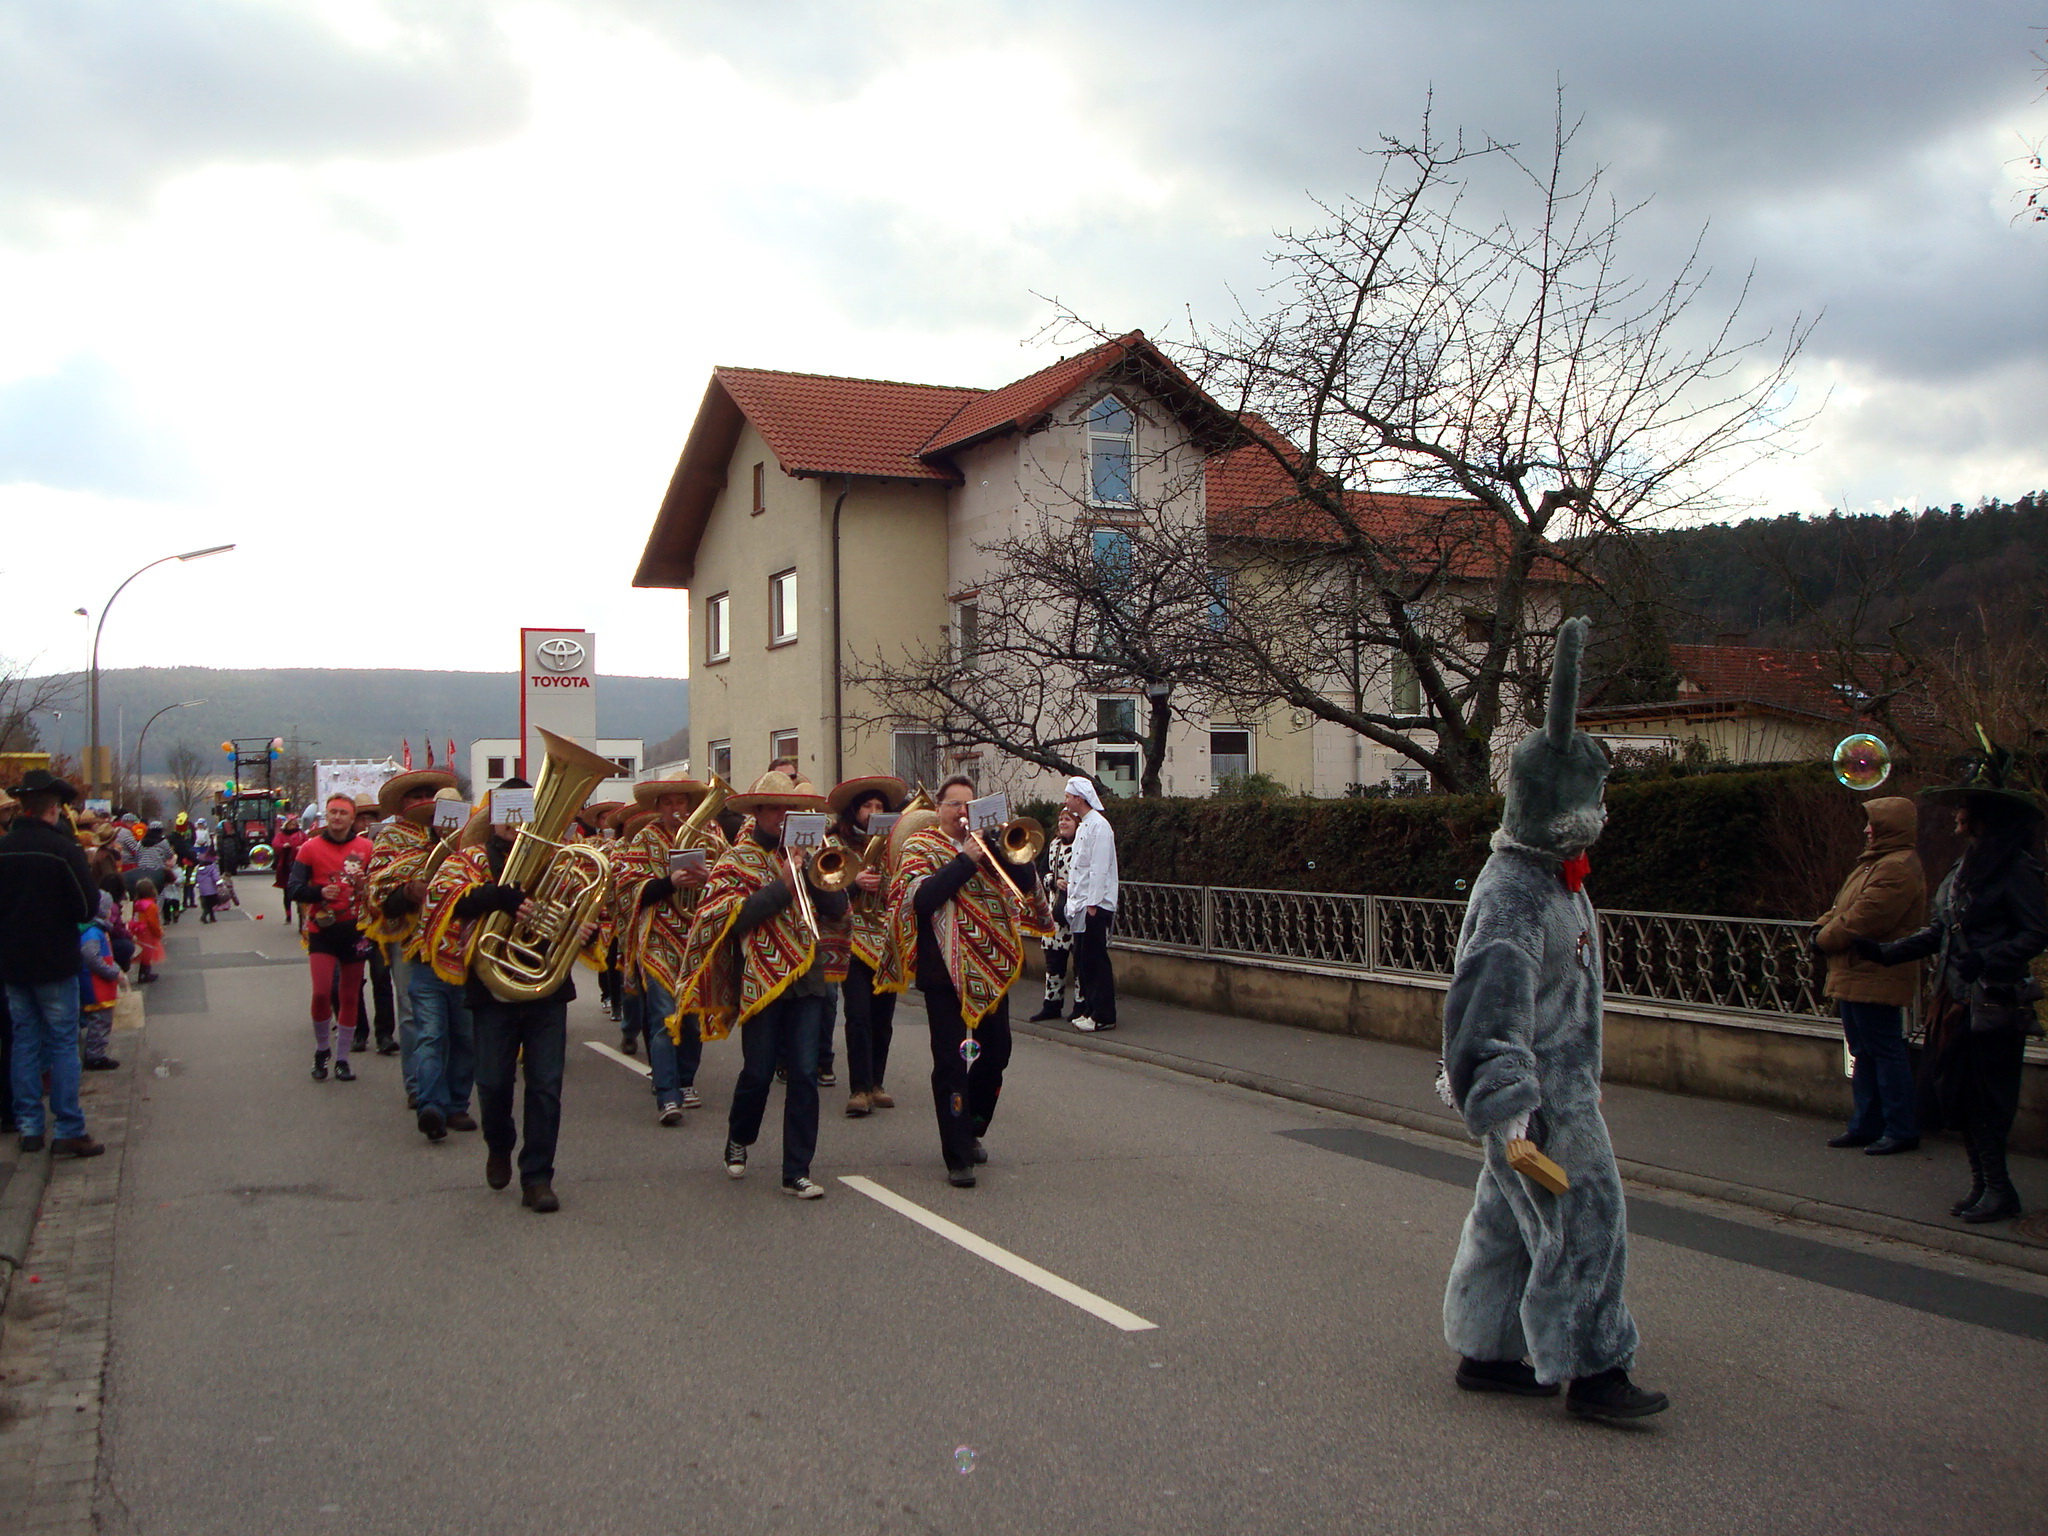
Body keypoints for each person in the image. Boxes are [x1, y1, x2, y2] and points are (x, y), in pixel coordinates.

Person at [1439, 618, 1666, 1422]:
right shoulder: (1515, 892)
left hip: (1560, 1089)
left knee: (1506, 1220)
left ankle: (1490, 1347)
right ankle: (1595, 1368)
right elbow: (1484, 1013)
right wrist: (1511, 1112)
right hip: (1538, 1101)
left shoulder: (1554, 880)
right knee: (1586, 1216)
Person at [1858, 756, 2048, 1223]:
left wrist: (1990, 958)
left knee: (1987, 1096)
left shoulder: (2016, 869)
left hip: (1992, 1001)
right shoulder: (1968, 865)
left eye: (1966, 807)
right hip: (1955, 998)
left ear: (1986, 815)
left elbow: (2037, 931)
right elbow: (1944, 930)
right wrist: (1887, 953)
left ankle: (1999, 1189)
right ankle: (1983, 1184)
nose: (1957, 816)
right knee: (1959, 1094)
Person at [427, 781, 597, 1213]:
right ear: (495, 815)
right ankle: (499, 1144)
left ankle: (538, 1177)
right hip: (490, 990)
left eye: (523, 810)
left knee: (545, 1087)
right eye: (507, 811)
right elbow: (441, 898)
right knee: (493, 1083)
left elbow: (589, 906)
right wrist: (495, 897)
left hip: (545, 987)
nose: (514, 821)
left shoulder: (559, 861)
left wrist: (579, 928)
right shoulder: (473, 858)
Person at [676, 771, 847, 1199]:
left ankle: (797, 1170)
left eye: (787, 809)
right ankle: (740, 1136)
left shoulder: (812, 851)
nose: (780, 815)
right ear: (756, 813)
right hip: (761, 979)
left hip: (807, 976)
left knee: (805, 1073)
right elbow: (727, 919)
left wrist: (811, 871)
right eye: (771, 808)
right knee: (757, 1072)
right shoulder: (737, 859)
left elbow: (838, 906)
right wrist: (783, 886)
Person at [882, 775, 1040, 1187]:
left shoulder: (993, 846)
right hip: (942, 973)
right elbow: (920, 899)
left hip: (989, 968)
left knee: (998, 1053)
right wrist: (966, 860)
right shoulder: (923, 847)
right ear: (939, 809)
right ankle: (957, 1155)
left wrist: (1007, 853)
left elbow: (1024, 889)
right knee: (950, 1063)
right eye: (955, 805)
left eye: (970, 805)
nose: (963, 812)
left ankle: (972, 1125)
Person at [0, 769, 107, 1157]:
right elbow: (86, 906)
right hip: (54, 959)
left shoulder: (3, 848)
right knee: (62, 1042)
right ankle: (67, 1129)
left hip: (12, 962)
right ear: (53, 810)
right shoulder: (63, 850)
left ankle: (29, 1127)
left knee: (24, 1041)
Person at [1813, 798, 1926, 1155]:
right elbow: (1841, 907)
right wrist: (1820, 927)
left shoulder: (1898, 868)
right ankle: (1866, 1124)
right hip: (1855, 970)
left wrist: (1824, 938)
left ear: (1888, 827)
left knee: (1884, 1050)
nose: (1866, 830)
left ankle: (1899, 1127)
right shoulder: (1874, 865)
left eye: (1872, 824)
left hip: (1874, 970)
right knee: (1864, 1050)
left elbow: (1867, 917)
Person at [364, 771, 468, 1138]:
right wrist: (409, 891)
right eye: (415, 795)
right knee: (414, 1016)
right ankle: (418, 1089)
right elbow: (378, 893)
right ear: (403, 804)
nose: (424, 800)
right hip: (407, 935)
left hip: (452, 937)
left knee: (458, 1021)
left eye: (429, 794)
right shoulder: (392, 837)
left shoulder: (455, 835)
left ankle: (452, 1098)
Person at [615, 778, 722, 1125]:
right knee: (663, 1017)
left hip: (696, 939)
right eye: (669, 803)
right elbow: (626, 889)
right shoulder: (645, 838)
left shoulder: (713, 834)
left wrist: (710, 879)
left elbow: (730, 880)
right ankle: (667, 1094)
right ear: (658, 807)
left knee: (691, 1018)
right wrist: (667, 883)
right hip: (659, 937)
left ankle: (686, 1080)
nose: (676, 809)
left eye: (682, 802)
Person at [826, 775, 907, 1117]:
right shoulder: (834, 842)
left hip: (887, 938)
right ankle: (859, 1088)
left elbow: (904, 884)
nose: (873, 812)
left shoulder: (894, 842)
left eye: (879, 807)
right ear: (854, 811)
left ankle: (877, 1082)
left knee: (883, 1017)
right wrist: (854, 883)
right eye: (867, 806)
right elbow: (825, 887)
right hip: (851, 939)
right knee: (857, 1014)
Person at [285, 794, 374, 1082]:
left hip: (355, 929)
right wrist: (319, 893)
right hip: (322, 929)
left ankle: (343, 1059)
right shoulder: (310, 848)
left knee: (349, 995)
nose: (337, 818)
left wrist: (365, 886)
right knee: (322, 992)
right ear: (326, 815)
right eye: (332, 812)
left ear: (353, 818)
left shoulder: (366, 847)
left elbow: (379, 889)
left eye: (343, 813)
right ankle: (322, 1049)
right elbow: (293, 888)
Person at [1062, 776, 1119, 1033]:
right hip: (1082, 905)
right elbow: (1078, 869)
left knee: (1096, 960)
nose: (1065, 800)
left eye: (1068, 796)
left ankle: (1104, 1015)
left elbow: (1098, 868)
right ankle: (1090, 1009)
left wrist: (1093, 903)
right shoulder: (1085, 826)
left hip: (1095, 905)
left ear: (1079, 798)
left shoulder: (1100, 826)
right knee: (1084, 961)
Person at [1029, 806, 1080, 1022]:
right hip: (1055, 913)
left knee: (1080, 964)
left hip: (1077, 913)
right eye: (1061, 819)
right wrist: (1053, 881)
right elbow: (1042, 872)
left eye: (1067, 819)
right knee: (1053, 963)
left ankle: (1081, 1004)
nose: (1063, 823)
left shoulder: (1082, 844)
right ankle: (1052, 1003)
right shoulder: (1054, 846)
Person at [79, 898, 124, 1071]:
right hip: (97, 985)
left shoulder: (94, 930)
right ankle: (95, 1056)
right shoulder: (94, 933)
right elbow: (92, 957)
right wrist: (113, 972)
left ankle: (93, 1052)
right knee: (100, 1021)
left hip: (97, 983)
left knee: (97, 1020)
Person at [132, 878, 166, 985]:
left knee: (143, 953)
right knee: (149, 952)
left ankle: (143, 973)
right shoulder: (151, 906)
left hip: (139, 930)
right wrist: (159, 932)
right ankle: (145, 974)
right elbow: (153, 922)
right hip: (148, 932)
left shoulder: (137, 903)